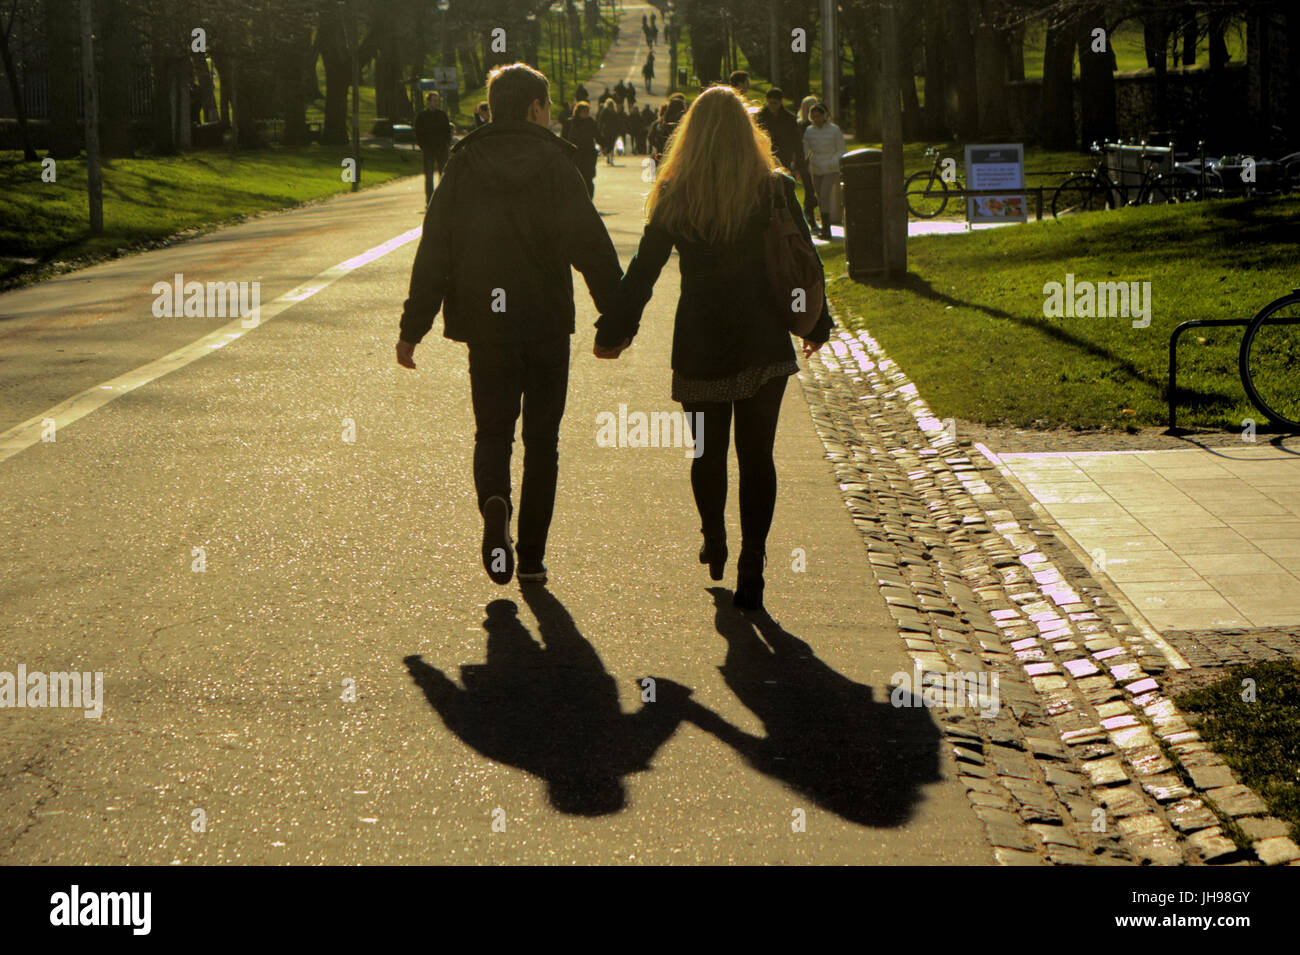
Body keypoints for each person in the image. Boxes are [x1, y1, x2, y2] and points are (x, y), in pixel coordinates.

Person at [594, 86, 834, 610]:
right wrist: (819, 323)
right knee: (757, 455)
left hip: (701, 336)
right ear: (749, 132)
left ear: (691, 134)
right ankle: (754, 560)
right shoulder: (772, 187)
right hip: (761, 337)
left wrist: (615, 329)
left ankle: (714, 536)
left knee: (706, 451)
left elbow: (644, 270)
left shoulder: (675, 191)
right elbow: (803, 255)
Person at [398, 63, 623, 587]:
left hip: (486, 324)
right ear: (535, 108)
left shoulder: (464, 164)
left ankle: (495, 499)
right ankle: (532, 558)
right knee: (543, 440)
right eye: (548, 107)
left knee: (493, 430)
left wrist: (413, 327)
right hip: (545, 321)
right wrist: (615, 320)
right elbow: (591, 246)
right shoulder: (555, 164)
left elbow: (435, 250)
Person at [803, 104, 845, 239]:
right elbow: (805, 149)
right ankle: (824, 227)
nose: (816, 119)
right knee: (820, 198)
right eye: (814, 116)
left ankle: (826, 229)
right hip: (816, 168)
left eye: (819, 116)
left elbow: (841, 149)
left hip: (831, 168)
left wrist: (832, 161)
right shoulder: (809, 131)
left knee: (824, 194)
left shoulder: (834, 130)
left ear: (824, 116)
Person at [415, 91, 454, 205]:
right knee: (429, 175)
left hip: (441, 149)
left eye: (438, 101)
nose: (437, 103)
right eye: (434, 101)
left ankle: (443, 198)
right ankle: (430, 200)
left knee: (443, 174)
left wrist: (446, 143)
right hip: (428, 149)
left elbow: (447, 131)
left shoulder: (442, 115)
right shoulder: (422, 116)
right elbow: (418, 132)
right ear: (428, 102)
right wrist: (422, 145)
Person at [754, 88, 803, 175]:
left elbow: (797, 142)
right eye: (770, 103)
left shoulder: (789, 118)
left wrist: (798, 164)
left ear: (781, 102)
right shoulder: (760, 117)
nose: (772, 106)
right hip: (766, 156)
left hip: (785, 157)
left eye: (775, 103)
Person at [563, 101, 598, 196]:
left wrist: (605, 145)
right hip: (575, 155)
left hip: (588, 155)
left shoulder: (590, 122)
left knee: (588, 179)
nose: (586, 113)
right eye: (584, 111)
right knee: (575, 178)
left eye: (587, 111)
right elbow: (563, 138)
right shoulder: (570, 123)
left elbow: (597, 134)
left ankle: (588, 199)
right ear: (578, 112)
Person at [796, 96, 820, 227]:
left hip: (810, 160)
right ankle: (809, 214)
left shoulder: (801, 125)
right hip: (807, 161)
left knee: (811, 189)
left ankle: (809, 213)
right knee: (811, 189)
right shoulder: (804, 126)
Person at [597, 98, 621, 165]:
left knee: (611, 145)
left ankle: (610, 158)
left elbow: (617, 122)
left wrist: (618, 130)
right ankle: (609, 158)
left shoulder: (614, 112)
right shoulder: (605, 112)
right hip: (607, 131)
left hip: (612, 131)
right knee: (608, 145)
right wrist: (600, 130)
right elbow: (601, 122)